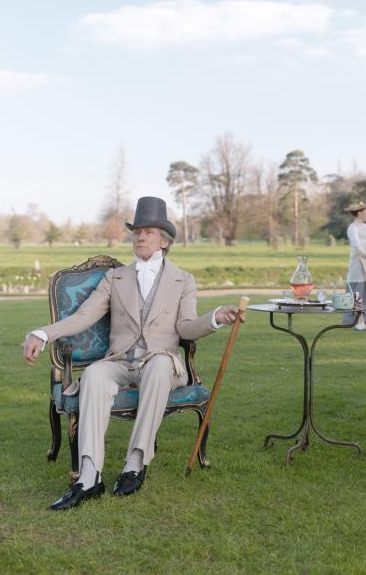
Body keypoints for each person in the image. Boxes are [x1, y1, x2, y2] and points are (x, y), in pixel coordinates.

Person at [22, 196, 244, 510]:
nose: (140, 236)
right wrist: (42, 333)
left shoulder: (183, 280)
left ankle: (135, 463)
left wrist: (214, 318)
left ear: (164, 241)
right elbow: (84, 316)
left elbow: (185, 327)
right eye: (137, 231)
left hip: (161, 361)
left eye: (148, 231)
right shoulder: (115, 278)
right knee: (96, 374)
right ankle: (88, 477)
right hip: (120, 361)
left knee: (158, 366)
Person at [342, 200, 366, 331]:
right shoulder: (352, 228)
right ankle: (356, 321)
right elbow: (358, 248)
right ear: (359, 213)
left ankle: (363, 320)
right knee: (357, 292)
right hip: (358, 264)